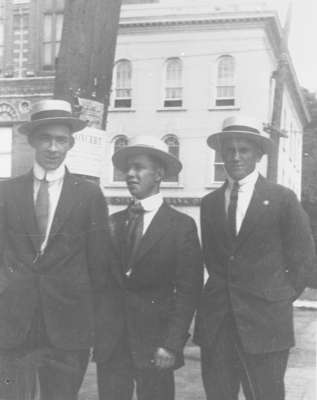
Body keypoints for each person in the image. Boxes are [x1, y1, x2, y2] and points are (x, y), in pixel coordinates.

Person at [194, 115, 315, 400]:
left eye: (244, 150)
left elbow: (304, 259)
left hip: (266, 324)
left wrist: (278, 297)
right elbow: (214, 260)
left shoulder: (281, 198)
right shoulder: (210, 203)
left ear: (258, 154)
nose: (235, 157)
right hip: (218, 324)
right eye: (229, 150)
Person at [0, 99, 110, 400]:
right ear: (33, 140)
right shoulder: (6, 193)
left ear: (70, 144)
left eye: (60, 140)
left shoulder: (88, 196)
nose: (52, 148)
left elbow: (100, 266)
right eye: (46, 138)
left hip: (67, 327)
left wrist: (95, 327)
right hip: (14, 325)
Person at [94, 136, 203, 400]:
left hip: (156, 347)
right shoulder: (112, 223)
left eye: (139, 167)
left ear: (159, 174)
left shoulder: (181, 227)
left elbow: (188, 291)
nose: (130, 174)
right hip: (112, 346)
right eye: (128, 168)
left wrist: (171, 344)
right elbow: (100, 284)